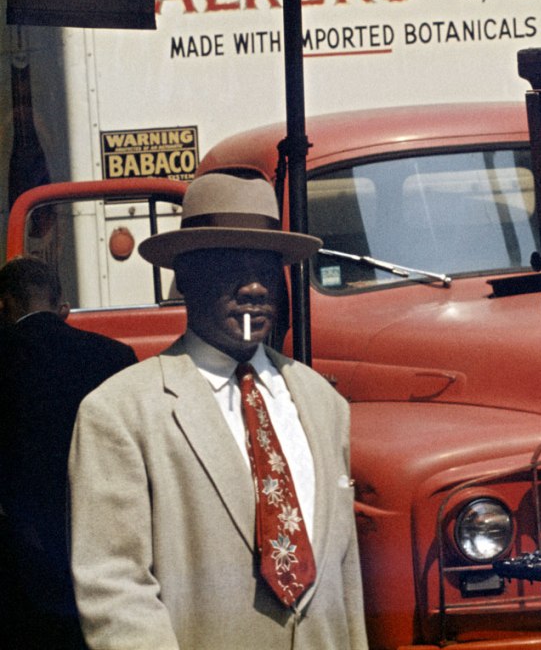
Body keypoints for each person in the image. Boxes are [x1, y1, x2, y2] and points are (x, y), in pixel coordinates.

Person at [68, 173, 368, 650]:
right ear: (184, 276)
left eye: (266, 266)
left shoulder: (321, 402)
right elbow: (115, 590)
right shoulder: (120, 413)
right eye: (230, 264)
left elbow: (345, 576)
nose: (253, 287)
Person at [0, 255, 137, 650]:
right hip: (101, 544)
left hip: (21, 552)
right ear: (60, 302)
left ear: (5, 303)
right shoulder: (115, 356)